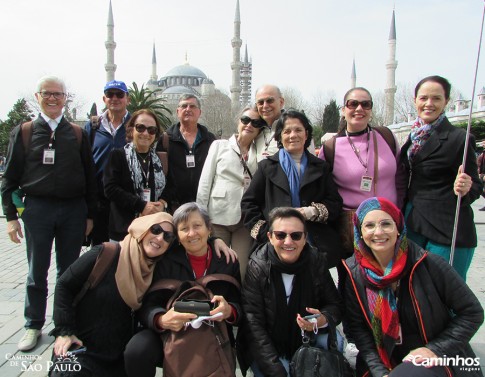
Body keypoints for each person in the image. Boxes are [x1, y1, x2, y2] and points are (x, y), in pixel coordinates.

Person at [0, 76, 97, 351]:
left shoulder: (77, 134)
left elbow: (90, 177)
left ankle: (65, 325)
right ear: (38, 96)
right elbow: (9, 179)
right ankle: (33, 324)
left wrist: (89, 215)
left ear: (66, 97)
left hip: (72, 210)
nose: (53, 98)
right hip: (38, 210)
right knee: (36, 271)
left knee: (68, 272)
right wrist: (10, 217)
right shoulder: (26, 131)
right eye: (47, 93)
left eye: (58, 93)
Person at [343, 197, 484, 377]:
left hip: (437, 359)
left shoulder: (428, 264)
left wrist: (435, 349)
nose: (378, 232)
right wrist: (380, 372)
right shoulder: (354, 273)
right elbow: (358, 331)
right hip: (384, 362)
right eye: (369, 226)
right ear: (360, 232)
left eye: (386, 224)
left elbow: (472, 312)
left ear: (398, 227)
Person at [49, 212, 175, 377]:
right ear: (142, 229)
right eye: (156, 229)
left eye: (168, 236)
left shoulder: (156, 270)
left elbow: (192, 241)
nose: (160, 238)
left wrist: (213, 239)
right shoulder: (106, 253)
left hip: (118, 360)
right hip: (82, 349)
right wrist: (64, 331)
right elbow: (64, 286)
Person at [124, 202, 241, 377]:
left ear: (209, 229)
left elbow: (240, 305)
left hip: (213, 332)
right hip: (172, 332)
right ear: (177, 237)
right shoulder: (166, 261)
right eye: (184, 228)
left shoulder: (227, 261)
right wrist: (162, 319)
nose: (192, 233)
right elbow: (148, 305)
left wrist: (229, 311)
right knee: (137, 350)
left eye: (197, 226)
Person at [238, 207, 344, 377]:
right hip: (271, 345)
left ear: (304, 238)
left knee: (336, 342)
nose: (288, 242)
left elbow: (335, 305)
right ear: (270, 237)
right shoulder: (258, 267)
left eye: (296, 235)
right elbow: (253, 325)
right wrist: (277, 370)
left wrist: (323, 319)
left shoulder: (315, 260)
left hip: (308, 337)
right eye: (281, 235)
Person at [399, 75, 483, 281]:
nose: (429, 104)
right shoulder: (412, 138)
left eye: (436, 98)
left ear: (446, 101)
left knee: (445, 292)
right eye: (423, 98)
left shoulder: (459, 139)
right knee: (415, 288)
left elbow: (474, 188)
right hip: (414, 224)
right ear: (415, 100)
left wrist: (466, 187)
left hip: (447, 227)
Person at [241, 109, 343, 268]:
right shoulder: (266, 167)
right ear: (280, 136)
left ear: (306, 134)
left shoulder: (321, 167)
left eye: (298, 130)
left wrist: (311, 212)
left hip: (314, 244)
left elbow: (335, 203)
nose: (293, 135)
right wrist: (269, 233)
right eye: (287, 131)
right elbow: (248, 205)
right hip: (275, 246)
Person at [318, 87, 406, 259]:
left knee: (391, 276)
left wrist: (400, 209)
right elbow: (325, 189)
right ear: (343, 110)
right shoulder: (330, 147)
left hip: (389, 222)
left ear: (371, 110)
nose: (359, 109)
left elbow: (401, 176)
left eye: (365, 104)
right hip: (352, 228)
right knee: (352, 280)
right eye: (353, 104)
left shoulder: (386, 137)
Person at [197, 106, 263, 277]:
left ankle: (239, 302)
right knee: (217, 265)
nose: (249, 125)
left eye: (255, 122)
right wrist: (202, 219)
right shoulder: (219, 145)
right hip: (218, 216)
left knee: (242, 268)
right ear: (238, 122)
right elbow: (205, 182)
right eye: (245, 120)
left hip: (244, 219)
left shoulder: (260, 151)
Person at [104, 109, 166, 241]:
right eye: (140, 128)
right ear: (131, 130)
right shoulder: (118, 155)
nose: (145, 133)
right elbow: (110, 189)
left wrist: (163, 203)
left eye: (151, 130)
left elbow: (170, 187)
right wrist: (141, 205)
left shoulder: (158, 160)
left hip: (151, 230)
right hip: (124, 230)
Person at [85, 80, 131, 245]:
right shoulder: (93, 126)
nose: (114, 98)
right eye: (110, 95)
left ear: (127, 99)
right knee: (100, 254)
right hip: (99, 202)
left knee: (125, 252)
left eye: (119, 94)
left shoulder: (136, 126)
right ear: (104, 99)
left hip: (125, 202)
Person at [156, 94, 216, 212]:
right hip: (174, 206)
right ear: (178, 111)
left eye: (192, 106)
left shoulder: (210, 140)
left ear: (199, 112)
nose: (188, 109)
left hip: (204, 206)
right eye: (184, 106)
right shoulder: (166, 140)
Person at [253, 85, 286, 161]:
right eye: (260, 102)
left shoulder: (294, 129)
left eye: (270, 101)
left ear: (281, 102)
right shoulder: (254, 131)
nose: (265, 106)